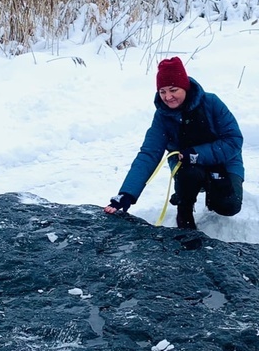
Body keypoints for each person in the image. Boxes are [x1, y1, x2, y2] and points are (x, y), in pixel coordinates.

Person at [104, 56, 244, 230]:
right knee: (189, 175)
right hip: (187, 167)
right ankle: (184, 211)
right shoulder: (163, 116)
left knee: (229, 206)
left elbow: (234, 140)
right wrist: (126, 194)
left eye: (173, 90)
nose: (168, 97)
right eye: (162, 92)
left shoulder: (211, 103)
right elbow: (149, 154)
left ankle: (211, 190)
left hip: (224, 161)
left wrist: (196, 154)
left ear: (184, 86)